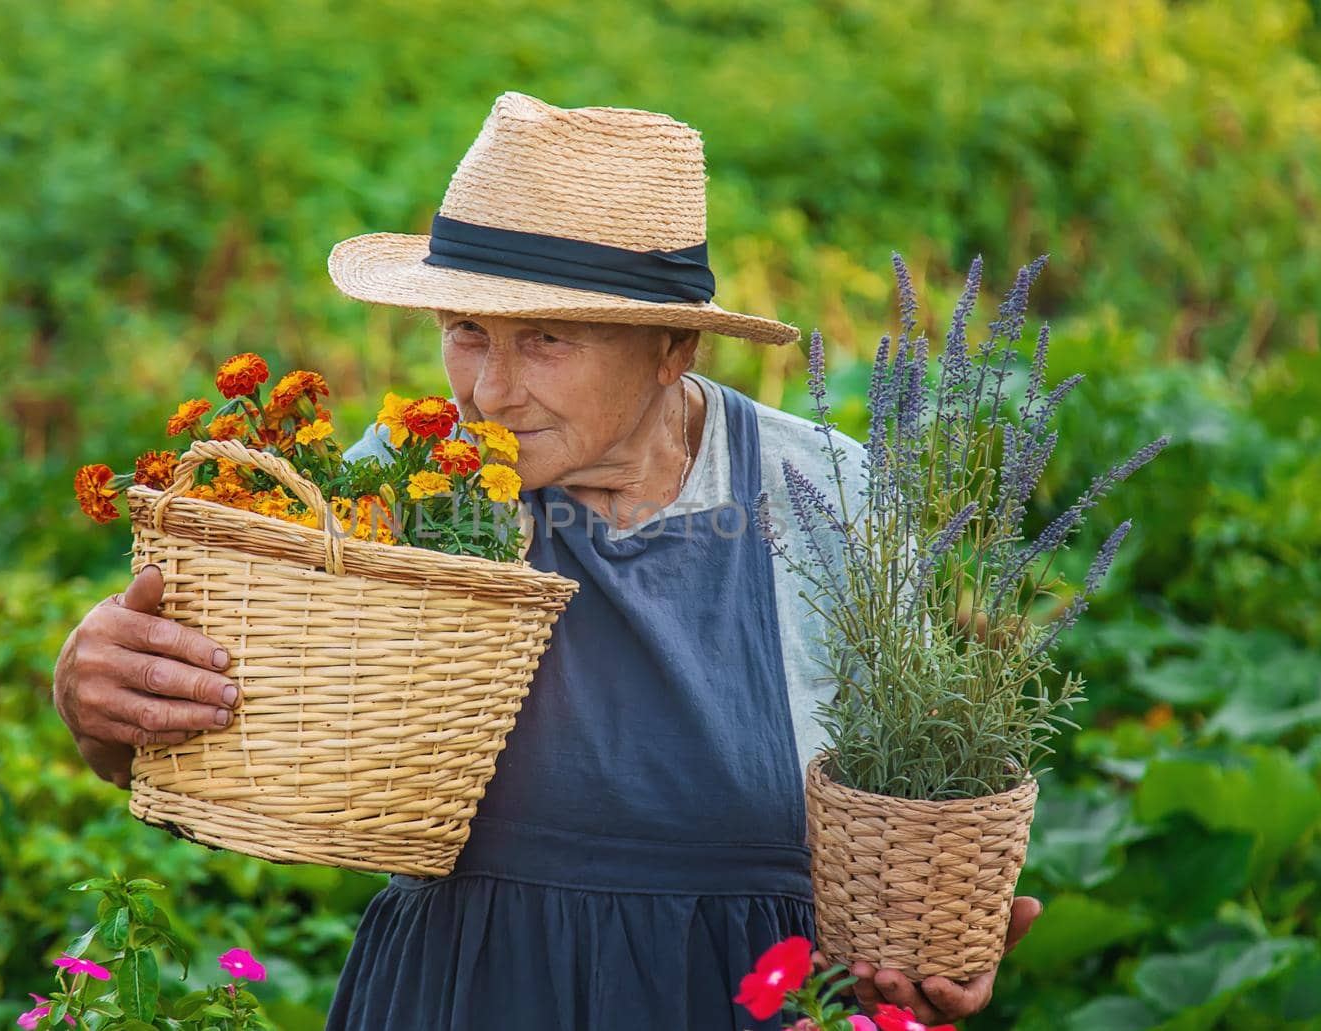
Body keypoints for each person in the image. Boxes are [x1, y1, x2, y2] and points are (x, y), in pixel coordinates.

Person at [51, 90, 1038, 1029]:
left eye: (547, 340)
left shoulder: (821, 490)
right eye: (466, 331)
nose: (487, 391)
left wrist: (935, 926)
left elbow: (906, 798)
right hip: (466, 990)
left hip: (749, 999)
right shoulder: (409, 480)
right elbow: (235, 744)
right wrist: (112, 706)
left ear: (672, 349)